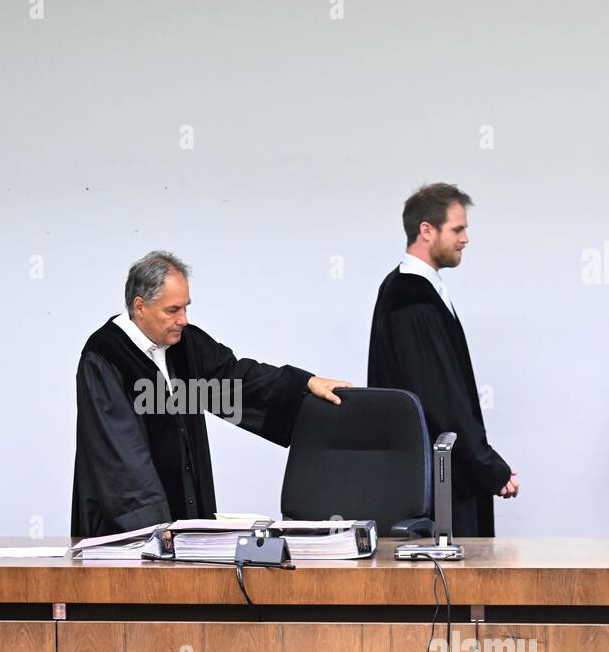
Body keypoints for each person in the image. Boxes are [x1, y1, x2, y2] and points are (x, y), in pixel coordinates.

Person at [72, 250, 352, 537]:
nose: (183, 319)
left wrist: (302, 383)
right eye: (173, 310)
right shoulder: (105, 357)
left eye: (185, 307)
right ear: (140, 306)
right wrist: (152, 523)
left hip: (183, 521)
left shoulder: (186, 344)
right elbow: (120, 453)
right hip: (129, 529)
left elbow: (233, 379)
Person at [368, 182, 517, 537]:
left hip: (438, 472)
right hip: (434, 482)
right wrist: (489, 467)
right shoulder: (411, 298)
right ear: (426, 231)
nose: (466, 239)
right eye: (458, 229)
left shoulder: (414, 289)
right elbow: (441, 399)